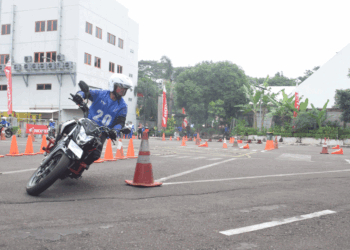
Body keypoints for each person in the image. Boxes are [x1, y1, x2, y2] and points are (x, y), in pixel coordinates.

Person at [72, 73, 133, 166]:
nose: (123, 91)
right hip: (87, 123)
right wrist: (79, 95)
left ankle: (79, 167)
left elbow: (120, 122)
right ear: (113, 85)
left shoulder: (123, 106)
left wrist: (115, 131)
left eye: (125, 89)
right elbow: (86, 93)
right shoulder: (101, 94)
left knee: (96, 155)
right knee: (67, 127)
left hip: (102, 133)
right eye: (121, 88)